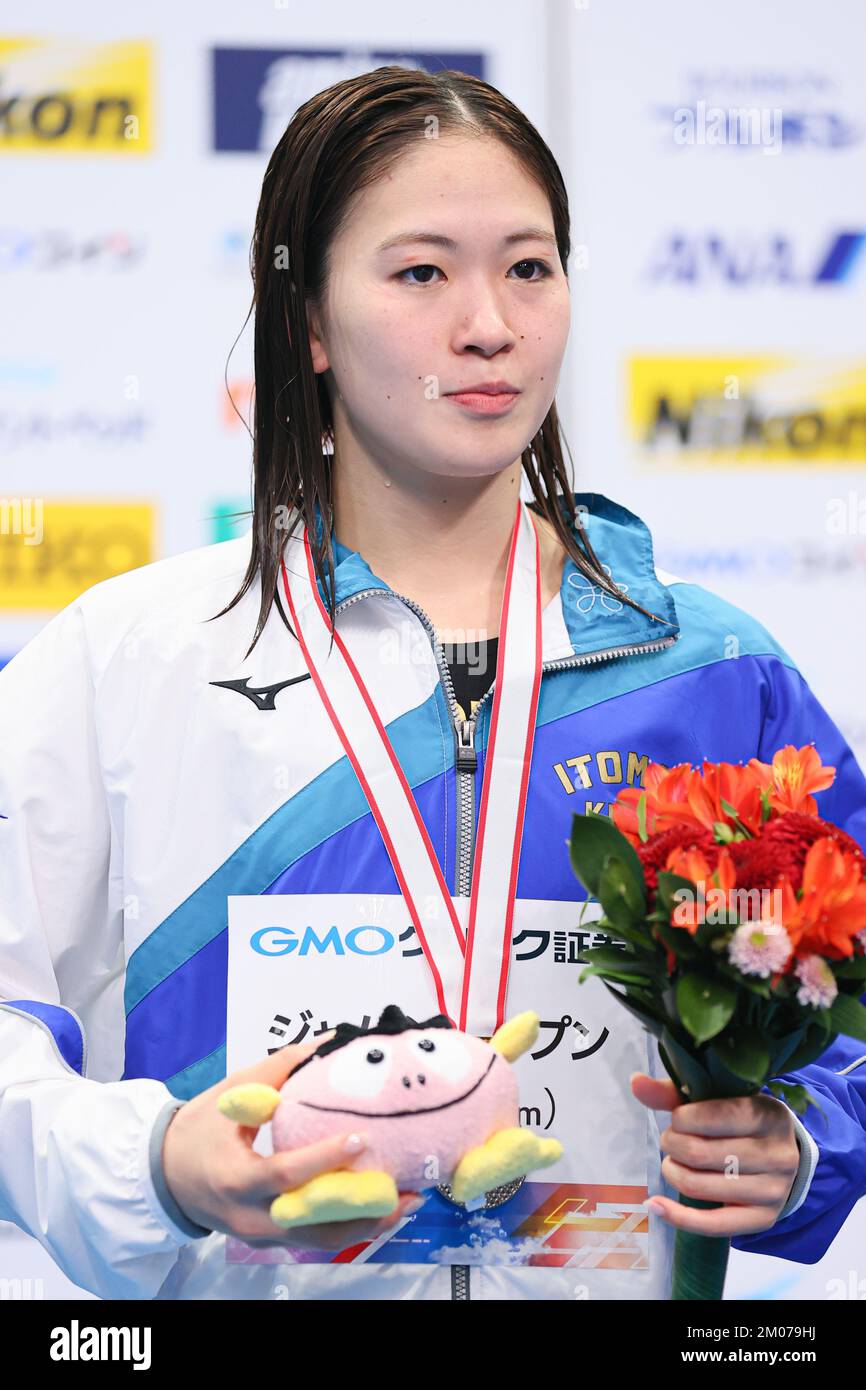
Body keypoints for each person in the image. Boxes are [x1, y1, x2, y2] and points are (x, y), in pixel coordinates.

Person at [2, 65, 866, 1303]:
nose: (489, 326)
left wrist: (804, 1145)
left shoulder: (711, 670)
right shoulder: (132, 656)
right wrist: (152, 1160)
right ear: (303, 318)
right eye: (420, 273)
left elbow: (849, 1014)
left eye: (528, 267)